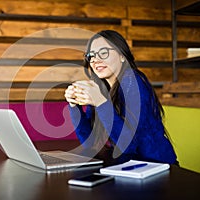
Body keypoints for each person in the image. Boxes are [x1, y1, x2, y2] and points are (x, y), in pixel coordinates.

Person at [64, 30, 178, 165]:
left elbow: (128, 146)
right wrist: (74, 106)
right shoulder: (101, 89)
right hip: (129, 166)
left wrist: (100, 102)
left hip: (158, 167)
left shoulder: (134, 82)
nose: (95, 60)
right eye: (91, 55)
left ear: (122, 56)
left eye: (104, 52)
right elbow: (90, 142)